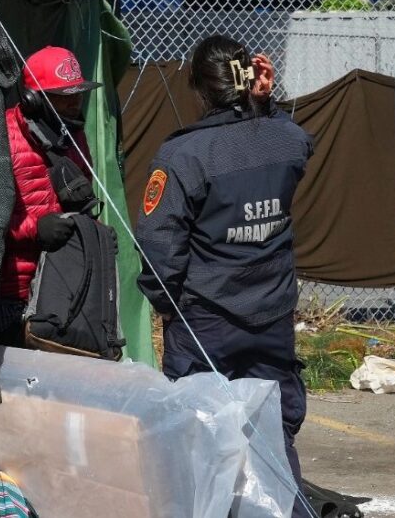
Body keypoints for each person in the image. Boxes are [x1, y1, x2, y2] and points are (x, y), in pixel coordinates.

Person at [134, 35, 314, 518]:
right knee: (272, 428)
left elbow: (157, 244)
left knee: (196, 431)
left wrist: (167, 305)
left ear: (200, 88)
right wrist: (266, 105)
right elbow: (298, 142)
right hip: (271, 315)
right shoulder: (284, 139)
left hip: (205, 318)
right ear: (250, 81)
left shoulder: (184, 155)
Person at [0, 45, 99, 346]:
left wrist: (94, 236)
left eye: (78, 94)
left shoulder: (73, 135)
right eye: (64, 97)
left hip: (60, 284)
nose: (75, 103)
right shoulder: (1, 136)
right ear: (33, 99)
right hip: (11, 293)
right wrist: (34, 230)